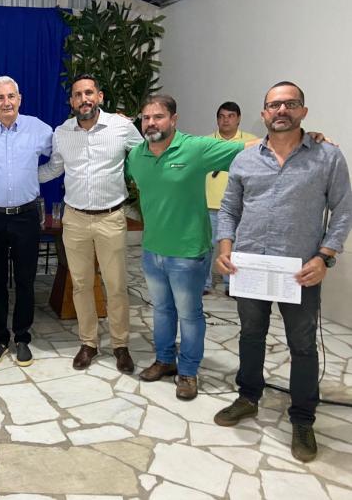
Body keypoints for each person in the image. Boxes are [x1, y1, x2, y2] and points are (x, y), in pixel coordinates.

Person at [213, 81, 352, 462]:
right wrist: (224, 248)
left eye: (290, 104)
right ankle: (248, 397)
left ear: (303, 111)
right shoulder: (245, 159)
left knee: (303, 346)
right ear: (264, 113)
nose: (281, 111)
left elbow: (342, 211)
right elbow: (229, 209)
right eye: (274, 105)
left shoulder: (326, 157)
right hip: (250, 266)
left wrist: (324, 257)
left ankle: (303, 418)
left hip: (300, 271)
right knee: (250, 335)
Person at [126, 94, 249, 400]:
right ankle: (165, 360)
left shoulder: (196, 148)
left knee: (189, 315)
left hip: (188, 253)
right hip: (152, 250)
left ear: (173, 119)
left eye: (158, 117)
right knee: (162, 310)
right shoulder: (136, 156)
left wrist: (303, 137)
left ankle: (188, 372)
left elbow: (249, 148)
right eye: (146, 117)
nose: (151, 123)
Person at [39, 74, 144, 373]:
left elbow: (145, 157)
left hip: (111, 217)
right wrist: (21, 177)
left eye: (89, 93)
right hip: (75, 220)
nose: (83, 99)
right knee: (81, 284)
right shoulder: (62, 132)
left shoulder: (121, 127)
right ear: (71, 101)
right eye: (77, 94)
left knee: (116, 285)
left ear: (99, 96)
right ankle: (88, 343)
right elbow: (54, 168)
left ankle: (120, 345)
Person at [0, 76, 52, 367]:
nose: (6, 102)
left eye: (11, 96)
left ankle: (22, 337)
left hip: (26, 217)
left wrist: (36, 177)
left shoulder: (39, 129)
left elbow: (61, 156)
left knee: (25, 280)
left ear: (19, 99)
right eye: (0, 98)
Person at [204, 102, 258, 294]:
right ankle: (204, 284)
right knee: (206, 248)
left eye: (230, 116)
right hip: (209, 205)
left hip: (239, 206)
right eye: (222, 116)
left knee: (235, 249)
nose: (225, 120)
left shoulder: (252, 142)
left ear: (238, 118)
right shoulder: (206, 142)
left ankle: (232, 285)